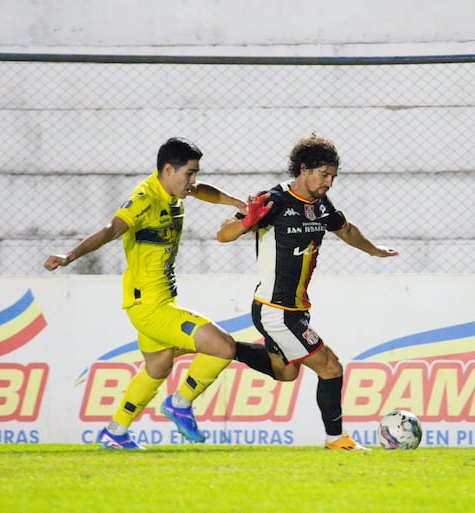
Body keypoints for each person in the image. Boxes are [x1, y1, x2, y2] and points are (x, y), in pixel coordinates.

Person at [44, 137, 247, 450]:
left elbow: (202, 189)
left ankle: (116, 431)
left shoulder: (175, 190)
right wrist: (70, 257)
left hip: (157, 302)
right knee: (223, 347)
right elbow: (111, 229)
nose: (192, 182)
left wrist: (233, 202)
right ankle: (180, 402)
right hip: (151, 307)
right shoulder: (144, 198)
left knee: (157, 369)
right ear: (168, 169)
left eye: (195, 174)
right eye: (188, 174)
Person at [217, 134, 398, 451]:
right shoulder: (273, 199)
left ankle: (222, 347)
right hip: (275, 310)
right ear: (304, 169)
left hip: (295, 309)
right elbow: (223, 234)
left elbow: (347, 230)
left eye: (333, 177)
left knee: (285, 373)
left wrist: (374, 251)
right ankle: (337, 440)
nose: (329, 182)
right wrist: (248, 219)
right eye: (324, 174)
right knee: (331, 367)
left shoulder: (321, 205)